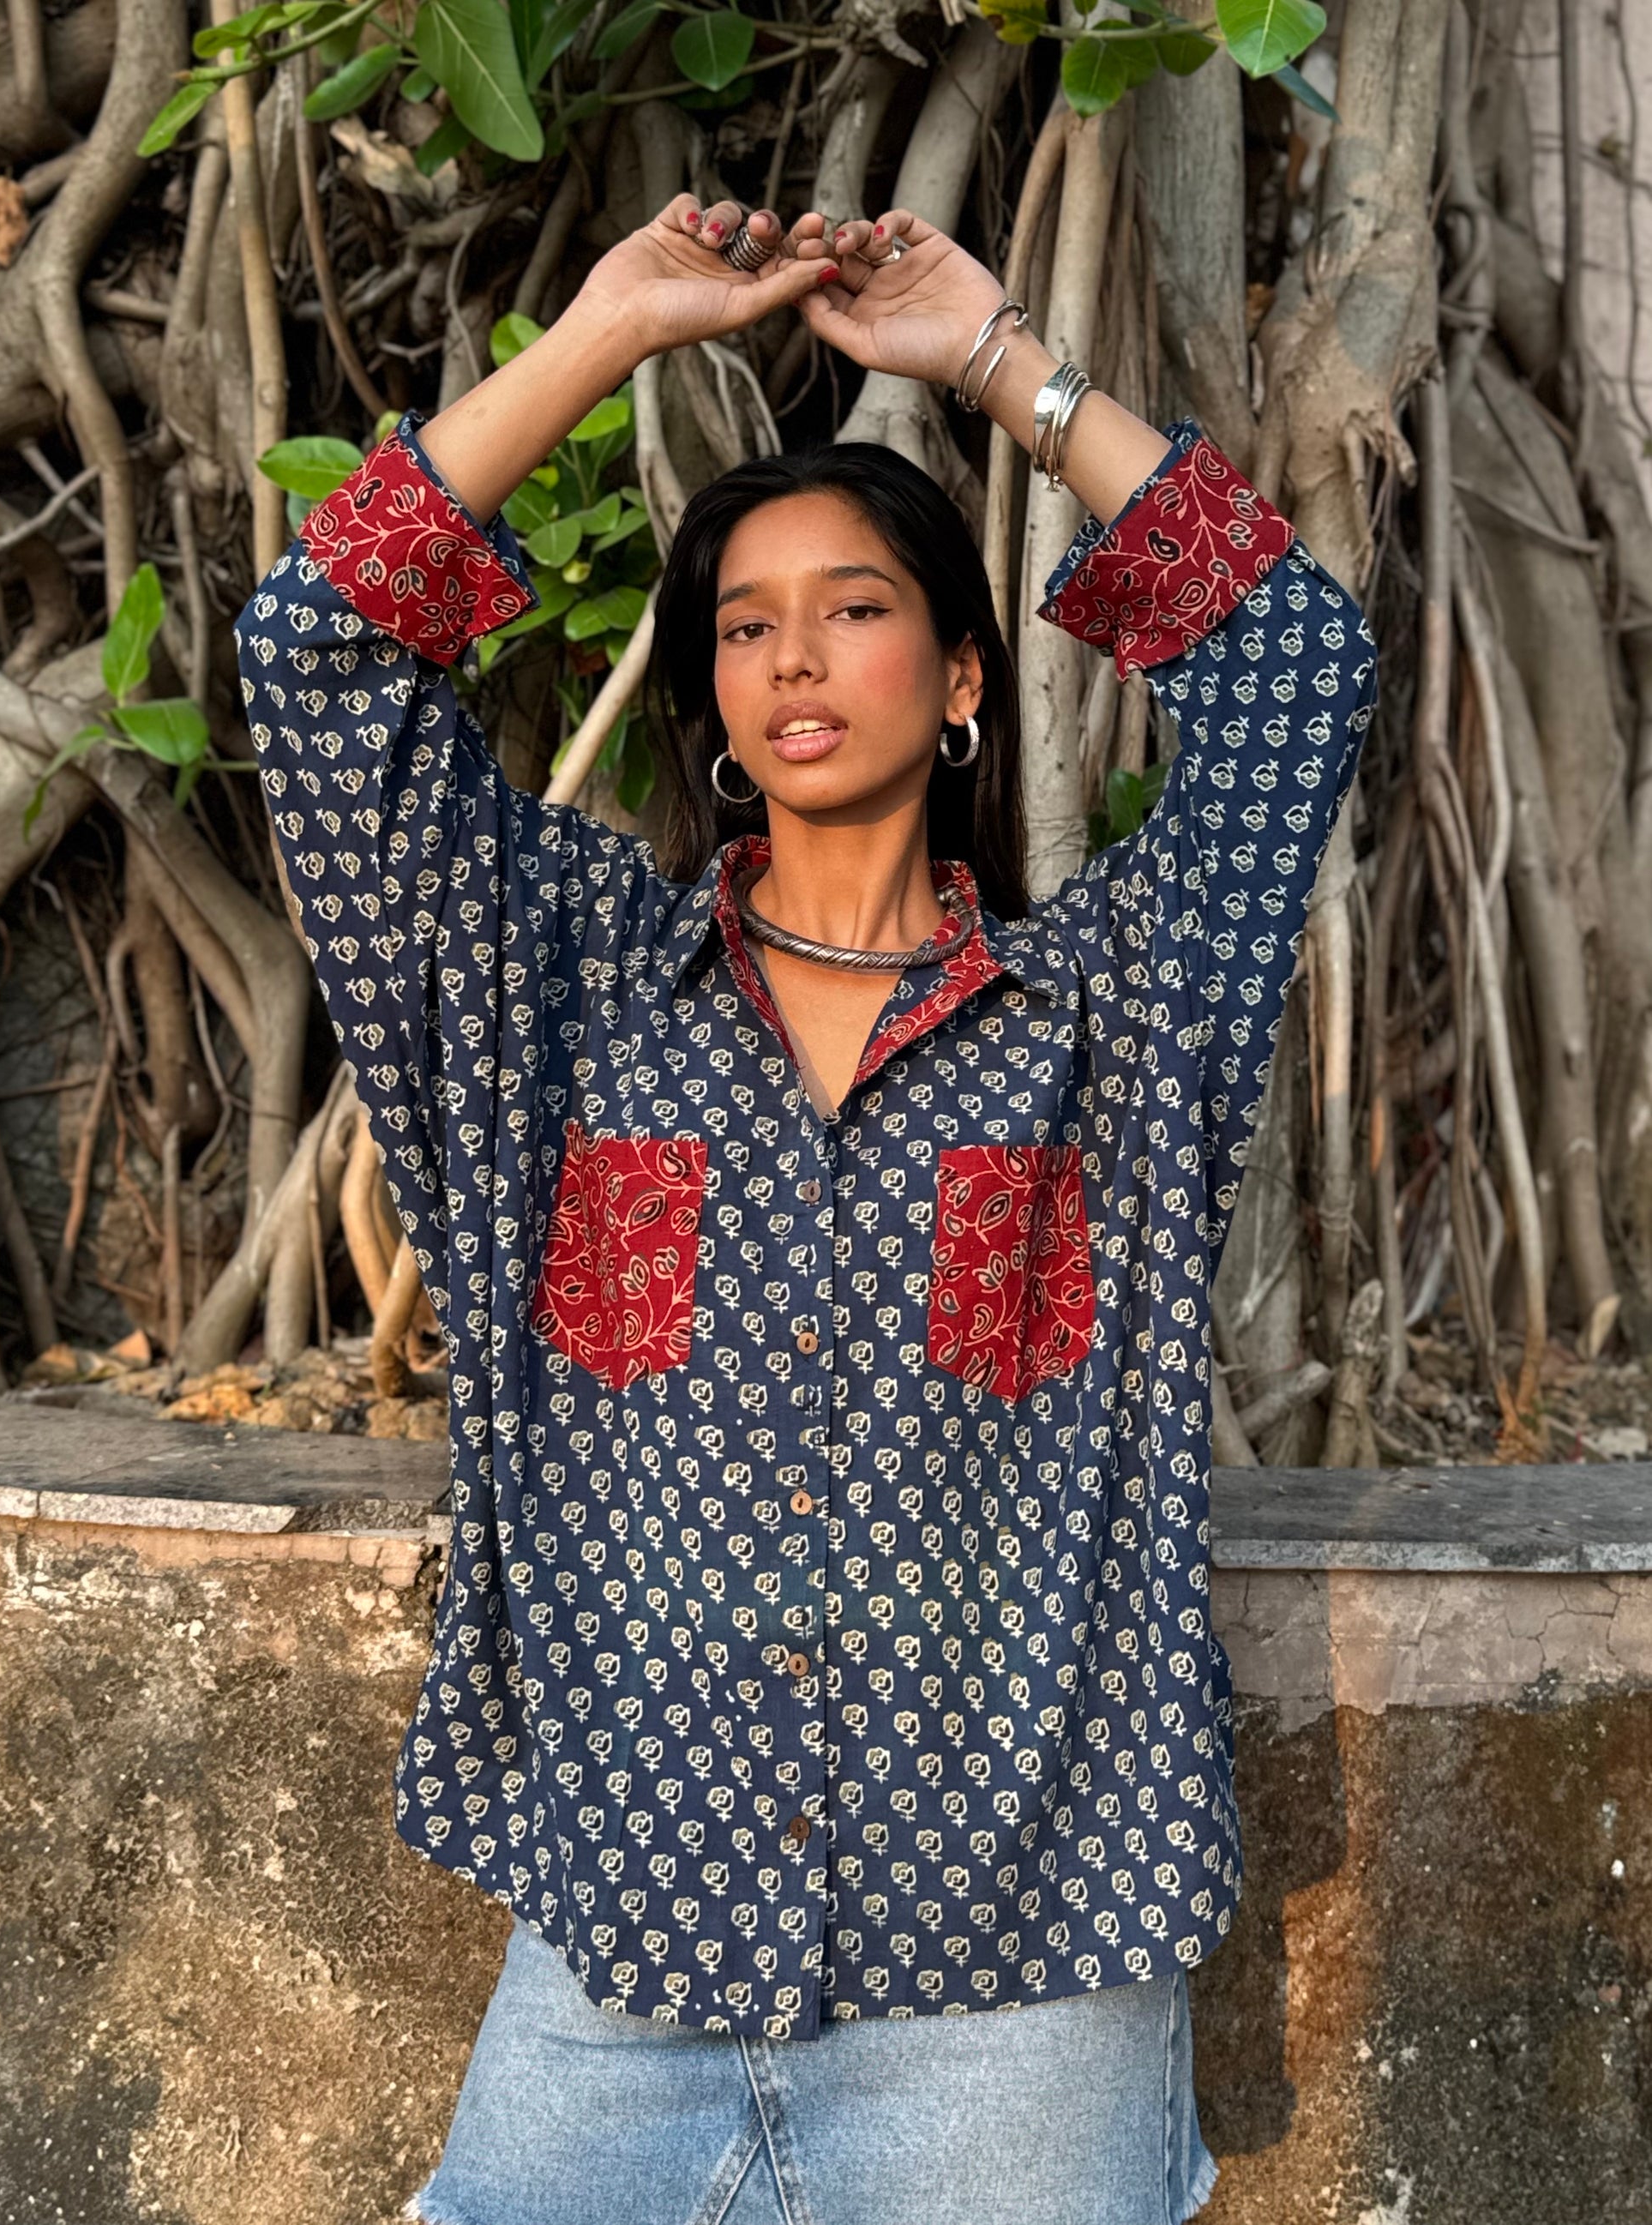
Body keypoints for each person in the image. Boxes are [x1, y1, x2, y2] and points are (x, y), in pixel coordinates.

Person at [234, 191, 1376, 2225]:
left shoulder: (1113, 1016)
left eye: (851, 606)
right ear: (710, 692)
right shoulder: (560, 991)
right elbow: (312, 659)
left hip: (1020, 1974)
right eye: (745, 623)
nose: (791, 655)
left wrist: (997, 360)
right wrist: (606, 332)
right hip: (619, 1957)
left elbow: (1292, 665)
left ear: (959, 677)